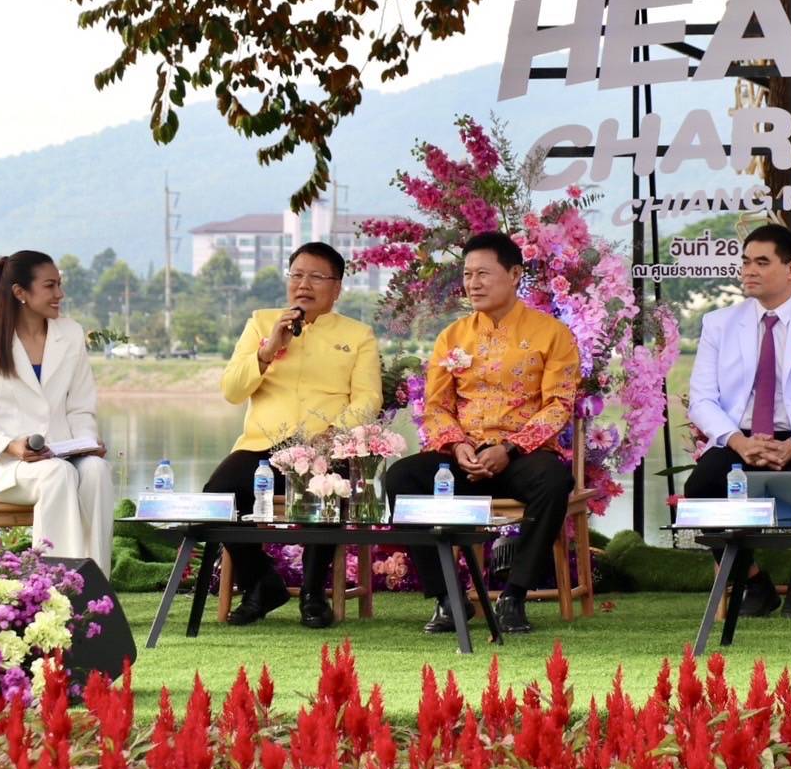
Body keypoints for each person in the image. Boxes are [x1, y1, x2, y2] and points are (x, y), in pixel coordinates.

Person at [383, 231, 579, 635]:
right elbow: (436, 407)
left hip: (522, 457)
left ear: (515, 274)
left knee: (555, 480)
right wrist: (457, 447)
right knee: (402, 477)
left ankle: (514, 596)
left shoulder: (552, 334)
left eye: (483, 274)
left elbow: (559, 405)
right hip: (464, 456)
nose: (473, 283)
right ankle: (448, 598)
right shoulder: (452, 336)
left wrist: (510, 447)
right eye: (467, 274)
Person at [686, 223, 791, 619]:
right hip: (742, 439)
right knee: (700, 486)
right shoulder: (719, 323)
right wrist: (738, 442)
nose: (749, 270)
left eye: (762, 262)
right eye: (746, 261)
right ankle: (752, 582)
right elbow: (702, 400)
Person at [207, 241, 381, 629]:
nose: (304, 284)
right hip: (262, 447)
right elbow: (232, 390)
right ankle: (261, 582)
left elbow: (369, 397)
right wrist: (267, 350)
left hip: (325, 447)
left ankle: (313, 594)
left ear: (336, 288)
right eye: (297, 275)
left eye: (316, 277)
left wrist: (334, 435)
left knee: (330, 486)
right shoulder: (260, 323)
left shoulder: (358, 335)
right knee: (217, 496)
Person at [0, 251, 114, 575]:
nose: (60, 294)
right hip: (4, 468)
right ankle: (55, 586)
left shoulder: (70, 334)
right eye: (50, 286)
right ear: (20, 292)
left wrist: (86, 442)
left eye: (60, 284)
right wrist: (12, 446)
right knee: (58, 474)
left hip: (62, 456)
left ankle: (97, 586)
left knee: (96, 470)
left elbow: (80, 406)